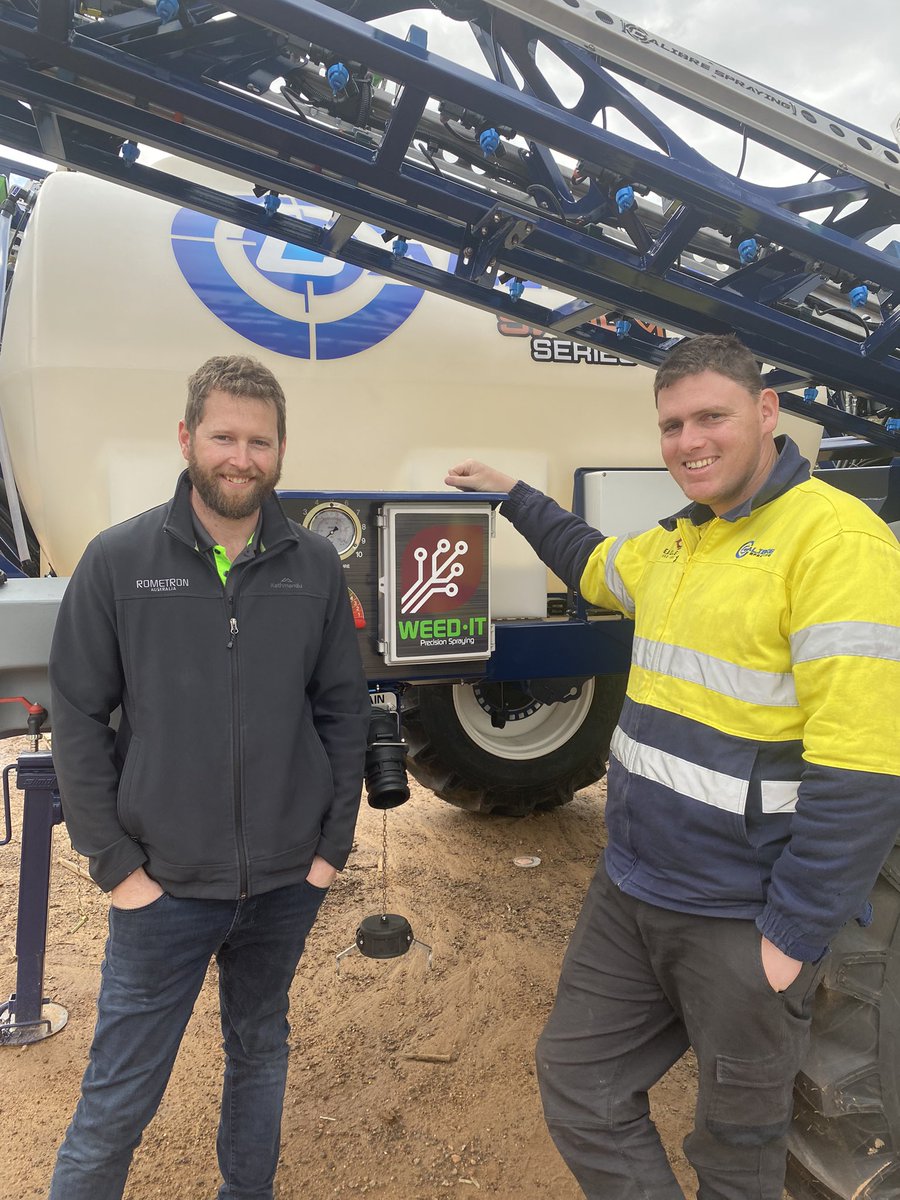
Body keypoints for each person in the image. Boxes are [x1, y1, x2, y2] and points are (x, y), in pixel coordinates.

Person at [446, 333, 900, 1199]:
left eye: (711, 417)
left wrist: (792, 936)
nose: (689, 441)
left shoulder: (837, 542)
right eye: (671, 425)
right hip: (633, 890)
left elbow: (866, 767)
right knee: (580, 1082)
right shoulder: (679, 544)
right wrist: (514, 496)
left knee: (735, 1152)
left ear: (767, 413)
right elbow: (591, 562)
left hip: (741, 915)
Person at [47, 354, 371, 1200]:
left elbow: (343, 710)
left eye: (259, 441)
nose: (241, 456)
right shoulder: (119, 561)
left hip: (285, 881)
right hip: (163, 885)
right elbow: (77, 716)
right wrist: (116, 866)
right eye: (224, 435)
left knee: (260, 1049)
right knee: (119, 1093)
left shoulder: (313, 568)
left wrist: (329, 850)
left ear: (281, 451)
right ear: (187, 437)